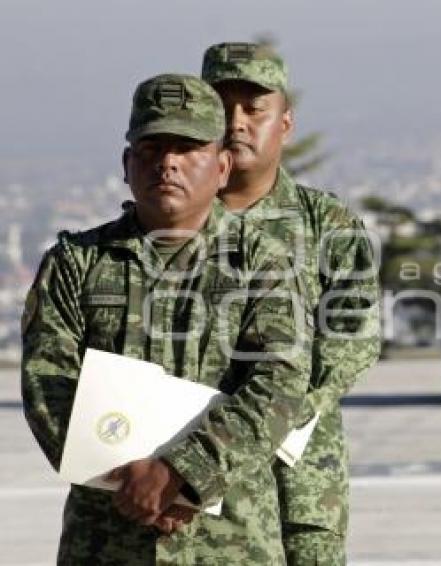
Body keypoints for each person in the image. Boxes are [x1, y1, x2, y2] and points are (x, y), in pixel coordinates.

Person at [21, 73, 313, 564]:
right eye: (152, 147)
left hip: (231, 542)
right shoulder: (77, 263)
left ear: (221, 167)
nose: (167, 162)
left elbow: (279, 384)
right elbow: (48, 384)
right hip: (106, 537)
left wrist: (183, 474)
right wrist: (130, 481)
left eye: (187, 147)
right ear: (126, 163)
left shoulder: (265, 263)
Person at [201, 42, 381, 565]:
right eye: (221, 107)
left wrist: (277, 412)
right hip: (194, 473)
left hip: (298, 480)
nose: (236, 122)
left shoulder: (326, 223)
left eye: (254, 108)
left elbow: (354, 335)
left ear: (285, 123)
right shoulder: (169, 226)